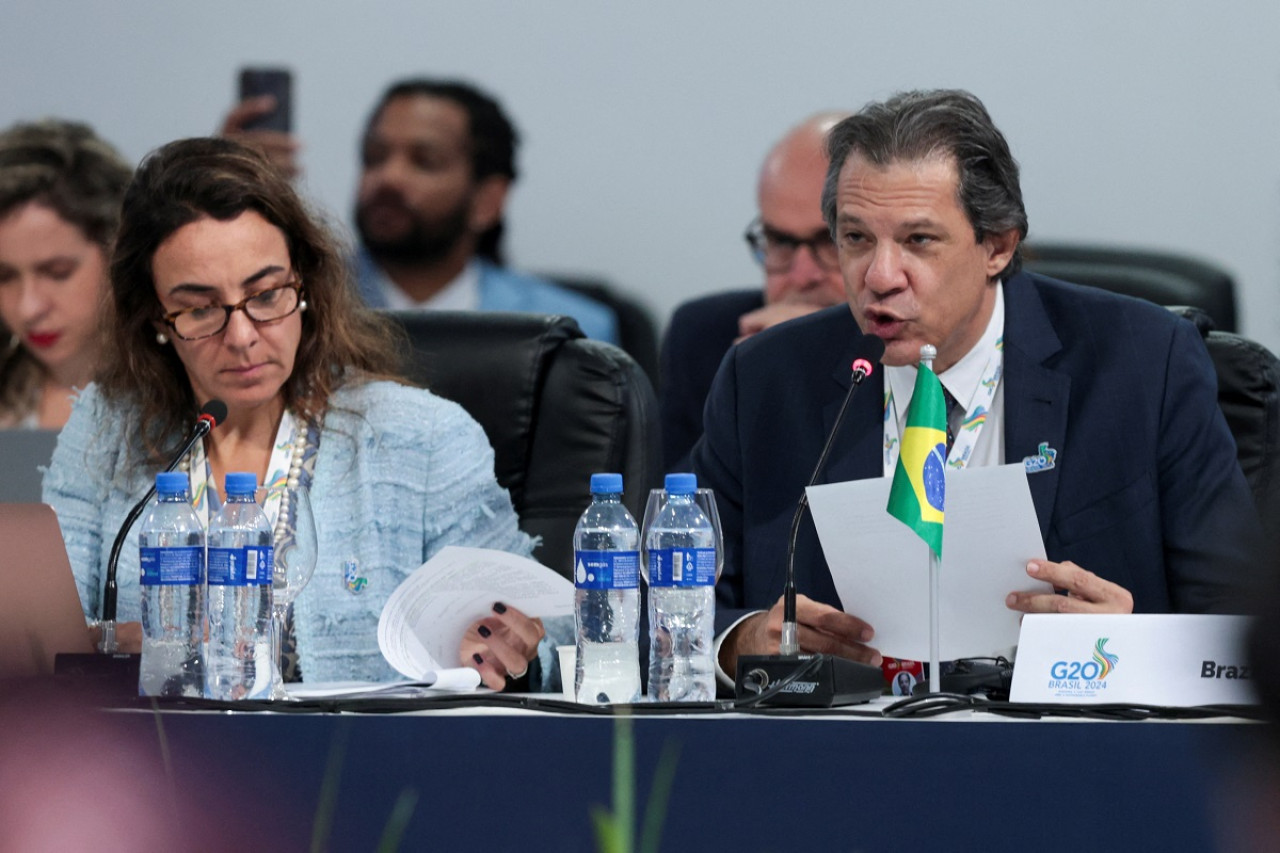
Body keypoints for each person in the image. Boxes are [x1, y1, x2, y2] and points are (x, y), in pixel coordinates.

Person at [697, 89, 1265, 682]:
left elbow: (1246, 633)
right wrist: (738, 643)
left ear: (997, 246)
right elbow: (656, 605)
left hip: (1062, 752)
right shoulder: (763, 381)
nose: (879, 277)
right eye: (857, 238)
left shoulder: (1144, 365)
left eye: (919, 240)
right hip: (843, 754)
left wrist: (1130, 646)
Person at [43, 136, 556, 690]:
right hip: (155, 761)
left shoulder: (423, 438)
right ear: (156, 321)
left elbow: (547, 637)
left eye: (266, 295)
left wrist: (508, 649)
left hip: (365, 762)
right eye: (199, 309)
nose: (242, 338)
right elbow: (36, 635)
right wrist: (109, 642)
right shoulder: (106, 426)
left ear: (304, 286)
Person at [224, 77, 620, 344]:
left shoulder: (568, 329)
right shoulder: (297, 304)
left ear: (488, 201)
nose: (388, 177)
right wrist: (225, 191)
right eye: (375, 156)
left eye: (425, 161)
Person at [660, 113, 848, 468]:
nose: (802, 275)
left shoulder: (916, 350)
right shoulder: (704, 337)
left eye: (831, 240)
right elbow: (675, 512)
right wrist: (758, 391)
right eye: (780, 241)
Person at [0, 120, 132, 429]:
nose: (28, 308)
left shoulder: (185, 397)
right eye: (4, 277)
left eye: (57, 273)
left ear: (117, 254)